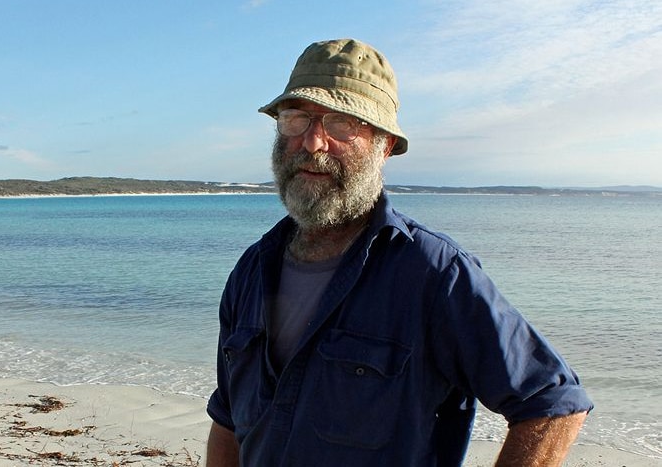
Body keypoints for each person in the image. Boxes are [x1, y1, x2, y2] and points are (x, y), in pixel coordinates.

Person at [206, 38, 593, 467]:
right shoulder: (252, 270)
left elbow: (553, 403)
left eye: (340, 124)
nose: (313, 142)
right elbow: (227, 419)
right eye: (296, 118)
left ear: (384, 145)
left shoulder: (433, 272)